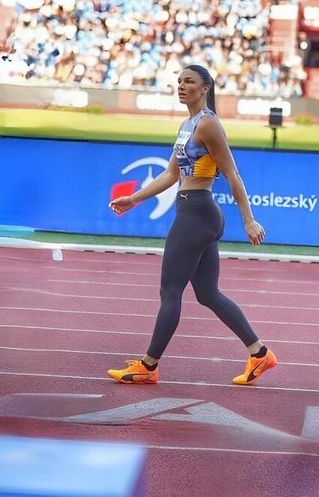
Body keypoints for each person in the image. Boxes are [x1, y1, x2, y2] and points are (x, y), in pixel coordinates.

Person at [107, 64, 278, 386]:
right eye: (179, 81)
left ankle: (148, 365)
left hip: (197, 214)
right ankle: (259, 354)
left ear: (205, 89)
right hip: (196, 213)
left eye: (189, 82)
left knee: (170, 291)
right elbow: (171, 174)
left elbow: (233, 174)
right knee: (208, 293)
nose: (182, 86)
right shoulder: (188, 124)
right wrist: (135, 199)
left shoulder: (208, 124)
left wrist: (249, 219)